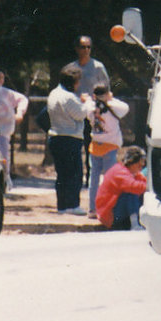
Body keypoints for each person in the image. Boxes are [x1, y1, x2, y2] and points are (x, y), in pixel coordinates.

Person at [47, 63, 88, 213]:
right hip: (69, 138)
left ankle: (62, 205)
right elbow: (80, 114)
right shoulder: (68, 97)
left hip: (56, 137)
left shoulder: (54, 93)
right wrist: (87, 103)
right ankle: (72, 205)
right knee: (74, 173)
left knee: (62, 174)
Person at [84, 83, 130, 217]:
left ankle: (92, 209)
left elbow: (87, 105)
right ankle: (107, 209)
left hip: (95, 145)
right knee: (109, 179)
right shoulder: (115, 106)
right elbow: (125, 108)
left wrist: (89, 99)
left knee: (94, 179)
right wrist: (110, 99)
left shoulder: (90, 107)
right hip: (110, 145)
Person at [72, 34, 109, 184]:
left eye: (88, 47)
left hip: (93, 113)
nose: (86, 50)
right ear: (77, 49)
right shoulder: (71, 68)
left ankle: (90, 178)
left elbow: (106, 89)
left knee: (90, 147)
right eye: (83, 47)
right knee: (75, 146)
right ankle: (76, 177)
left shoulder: (98, 67)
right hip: (75, 112)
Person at [96, 146, 147, 231]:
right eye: (139, 164)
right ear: (132, 162)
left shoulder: (128, 171)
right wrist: (149, 187)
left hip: (114, 210)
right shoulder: (119, 172)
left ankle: (141, 221)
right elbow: (133, 186)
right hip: (109, 214)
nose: (141, 167)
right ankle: (134, 225)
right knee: (131, 192)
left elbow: (142, 181)